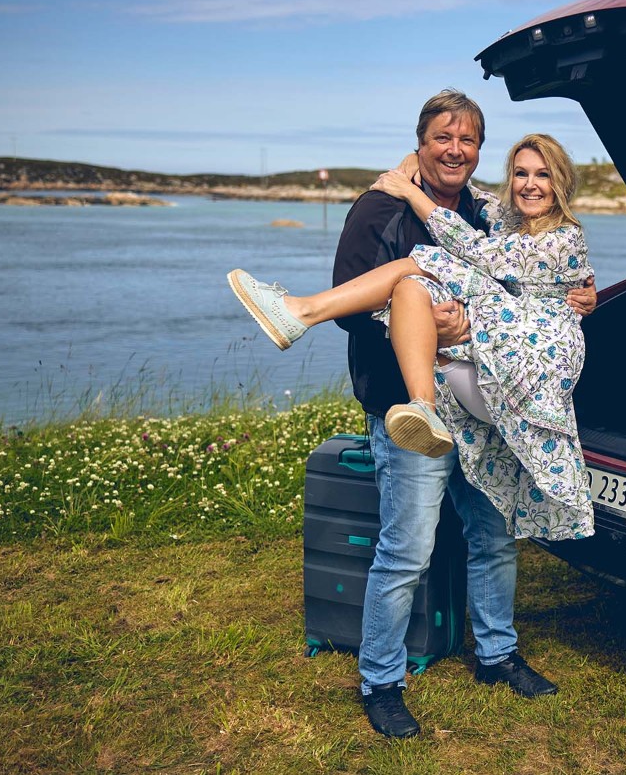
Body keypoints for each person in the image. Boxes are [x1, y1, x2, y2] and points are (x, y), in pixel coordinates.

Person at [236, 90, 595, 739]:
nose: (455, 150)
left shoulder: (493, 215)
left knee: (492, 539)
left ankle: (497, 654)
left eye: (468, 141)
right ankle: (381, 681)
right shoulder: (379, 207)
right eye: (441, 139)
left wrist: (571, 297)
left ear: (479, 151)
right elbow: (355, 310)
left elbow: (526, 278)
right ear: (421, 143)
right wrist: (434, 324)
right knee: (405, 551)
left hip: (484, 410)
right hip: (409, 411)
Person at [229, 132, 596, 539]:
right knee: (410, 288)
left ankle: (301, 310)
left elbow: (475, 250)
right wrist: (413, 159)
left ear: (560, 183)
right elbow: (463, 184)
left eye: (543, 175)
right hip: (510, 343)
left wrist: (406, 188)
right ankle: (422, 406)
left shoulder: (564, 238)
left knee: (425, 260)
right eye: (521, 173)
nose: (530, 184)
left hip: (534, 363)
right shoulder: (510, 222)